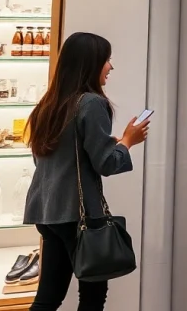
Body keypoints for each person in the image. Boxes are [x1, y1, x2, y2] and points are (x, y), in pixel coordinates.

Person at [23, 32, 150, 310]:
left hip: (46, 212)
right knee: (92, 298)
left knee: (48, 298)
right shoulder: (91, 103)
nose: (110, 67)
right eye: (107, 59)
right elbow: (107, 164)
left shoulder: (48, 105)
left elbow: (51, 158)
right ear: (90, 63)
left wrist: (110, 143)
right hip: (77, 214)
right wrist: (128, 142)